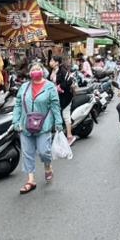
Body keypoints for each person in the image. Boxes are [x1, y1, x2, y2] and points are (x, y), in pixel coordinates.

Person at [11, 62, 63, 195]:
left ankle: (47, 165)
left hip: (43, 125)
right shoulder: (24, 87)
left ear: (43, 71)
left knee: (44, 151)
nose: (35, 71)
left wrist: (58, 122)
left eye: (38, 69)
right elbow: (17, 104)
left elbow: (55, 106)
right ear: (29, 73)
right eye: (33, 69)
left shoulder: (50, 87)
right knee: (27, 153)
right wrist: (15, 121)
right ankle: (30, 180)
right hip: (26, 125)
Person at [51, 57, 77, 145]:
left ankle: (70, 136)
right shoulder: (52, 71)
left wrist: (59, 87)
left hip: (65, 97)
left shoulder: (62, 71)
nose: (50, 62)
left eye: (52, 61)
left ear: (57, 62)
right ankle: (58, 136)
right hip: (55, 97)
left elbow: (68, 82)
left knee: (66, 115)